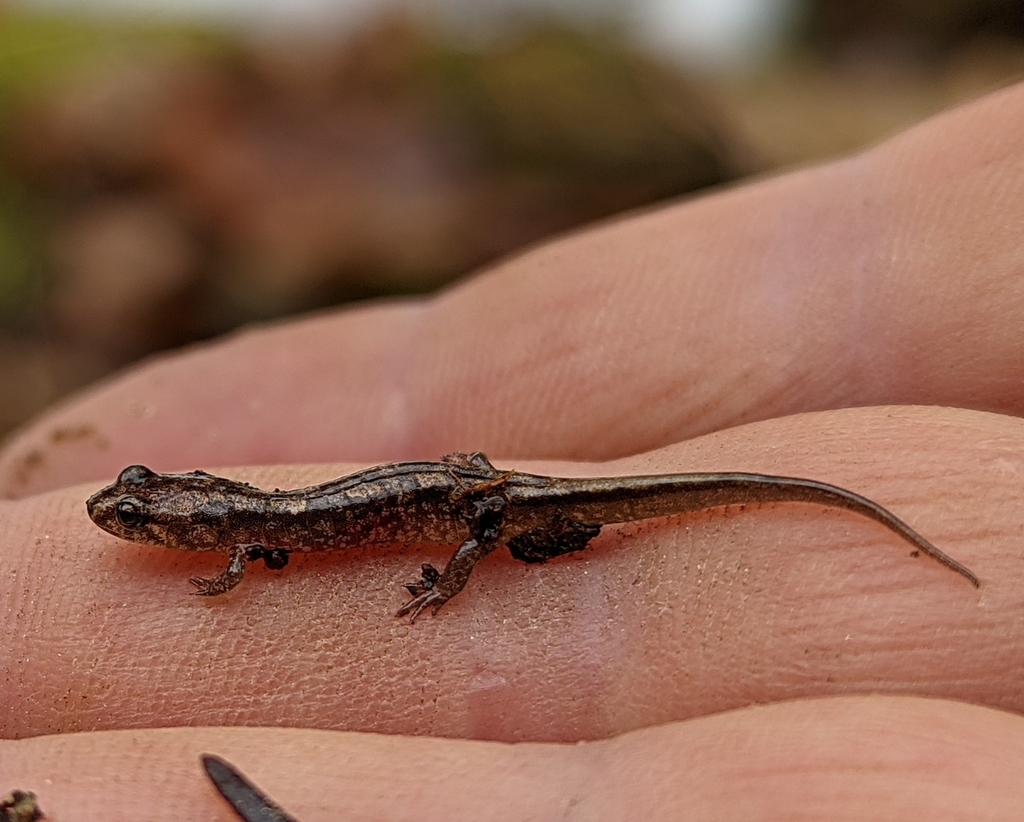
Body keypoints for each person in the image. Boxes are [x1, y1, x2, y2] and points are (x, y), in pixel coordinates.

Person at [3, 79, 1024, 820]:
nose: (127, 514)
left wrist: (447, 581)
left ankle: (469, 561)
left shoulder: (236, 538)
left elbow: (257, 555)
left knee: (481, 530)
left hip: (480, 504)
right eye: (139, 508)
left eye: (140, 511)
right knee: (470, 503)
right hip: (460, 486)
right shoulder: (239, 523)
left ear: (197, 519)